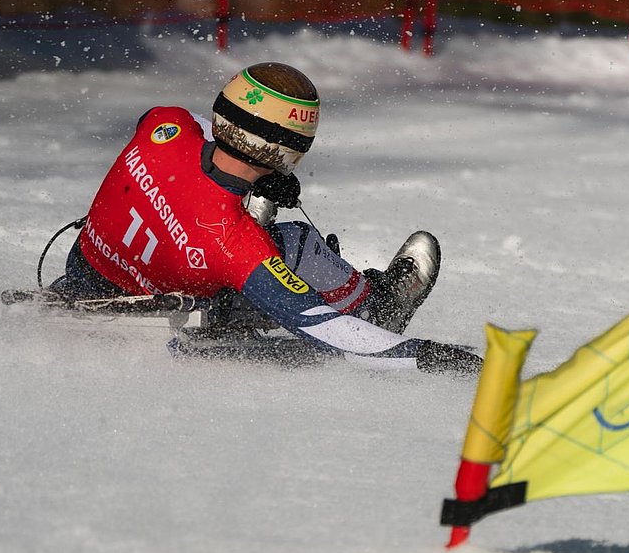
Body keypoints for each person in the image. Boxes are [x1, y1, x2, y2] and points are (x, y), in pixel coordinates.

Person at [51, 62, 484, 377]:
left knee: (223, 215)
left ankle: (242, 210)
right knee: (294, 242)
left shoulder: (166, 123)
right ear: (292, 151)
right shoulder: (238, 246)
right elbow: (324, 326)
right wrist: (426, 355)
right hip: (174, 297)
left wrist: (250, 177)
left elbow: (205, 131)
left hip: (85, 272)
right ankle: (377, 304)